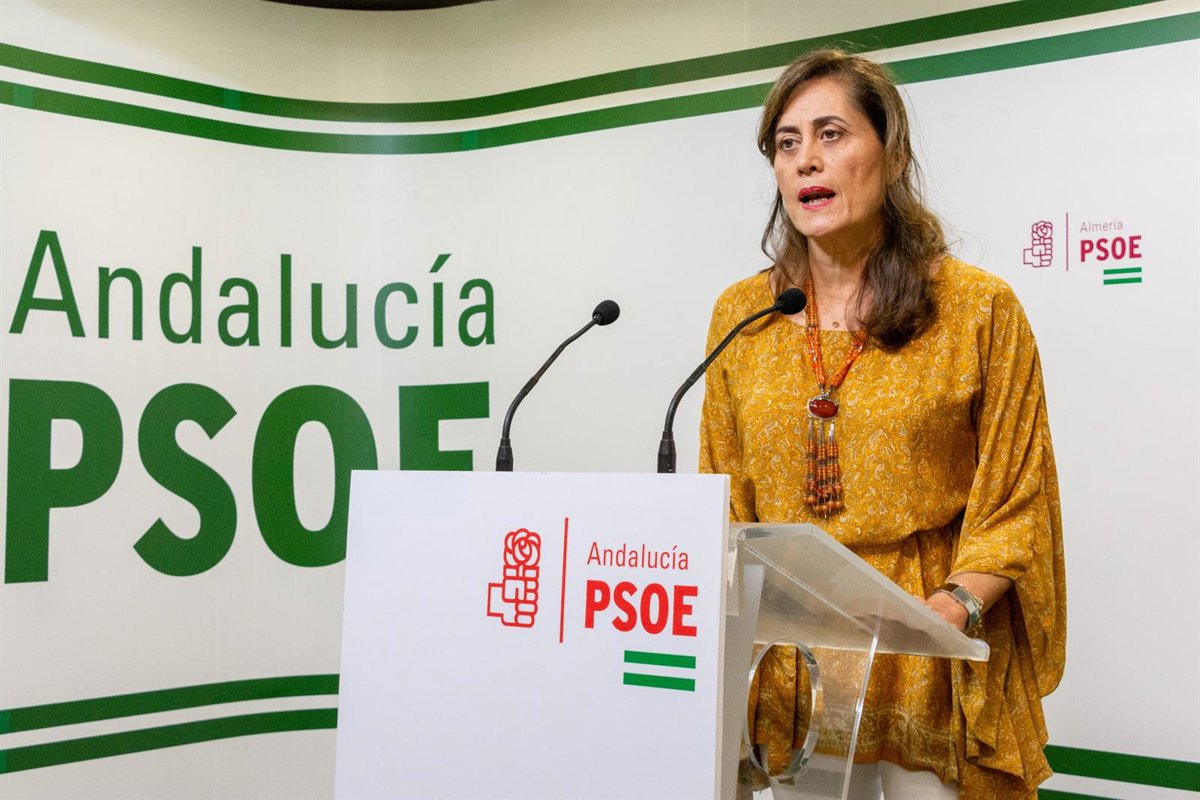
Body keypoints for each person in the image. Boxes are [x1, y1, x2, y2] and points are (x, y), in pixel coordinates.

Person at [699, 49, 1066, 799]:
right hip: (793, 660)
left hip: (924, 650)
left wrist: (952, 607)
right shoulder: (743, 315)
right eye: (787, 143)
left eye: (831, 134)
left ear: (892, 154)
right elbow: (722, 492)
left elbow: (1016, 493)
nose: (806, 160)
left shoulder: (977, 309)